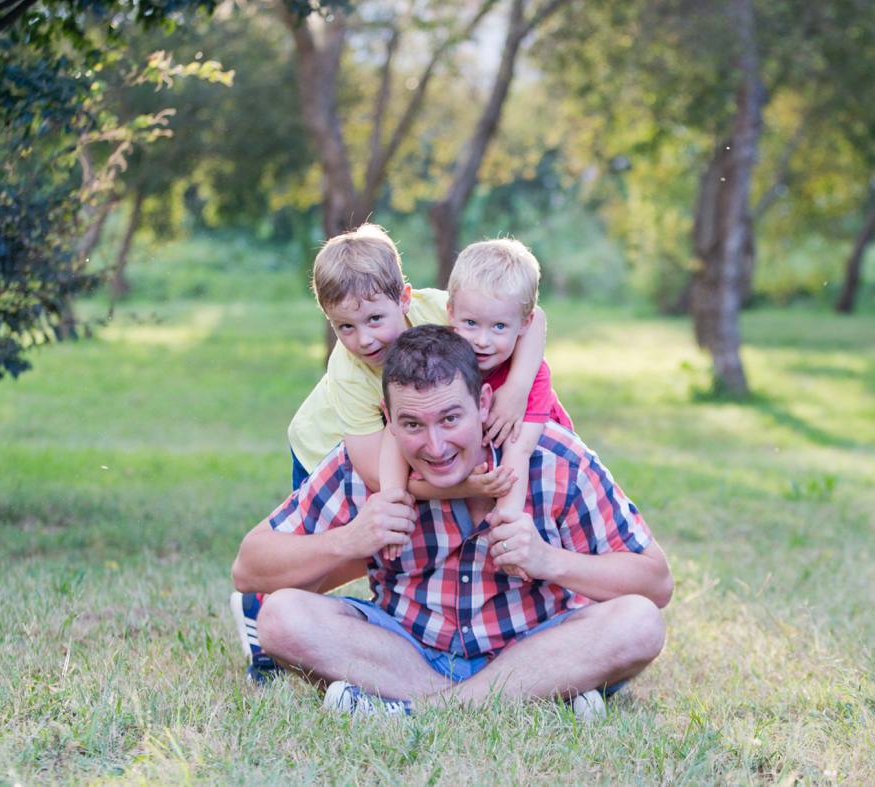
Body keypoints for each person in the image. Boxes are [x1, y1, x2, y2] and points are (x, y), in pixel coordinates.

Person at [231, 325, 672, 718]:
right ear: (388, 419)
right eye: (412, 424)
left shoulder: (555, 458)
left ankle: (415, 710)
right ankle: (534, 698)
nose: (435, 446)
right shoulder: (364, 469)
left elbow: (655, 583)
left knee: (639, 621)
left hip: (535, 645)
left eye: (450, 418)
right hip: (405, 651)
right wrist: (350, 538)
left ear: (483, 403)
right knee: (281, 617)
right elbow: (249, 568)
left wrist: (550, 559)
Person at [231, 225, 547, 682]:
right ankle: (262, 621)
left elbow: (532, 318)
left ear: (404, 297)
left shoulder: (443, 310)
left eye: (375, 319)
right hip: (331, 446)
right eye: (345, 327)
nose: (364, 340)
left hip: (410, 434)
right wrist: (468, 487)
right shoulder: (349, 374)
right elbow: (378, 477)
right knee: (337, 551)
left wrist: (517, 388)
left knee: (395, 537)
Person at [379, 239, 572, 556]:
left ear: (523, 324)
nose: (482, 341)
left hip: (536, 466)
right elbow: (393, 431)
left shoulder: (532, 376)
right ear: (450, 312)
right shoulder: (448, 359)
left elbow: (518, 453)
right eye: (470, 323)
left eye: (498, 327)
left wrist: (508, 525)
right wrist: (392, 502)